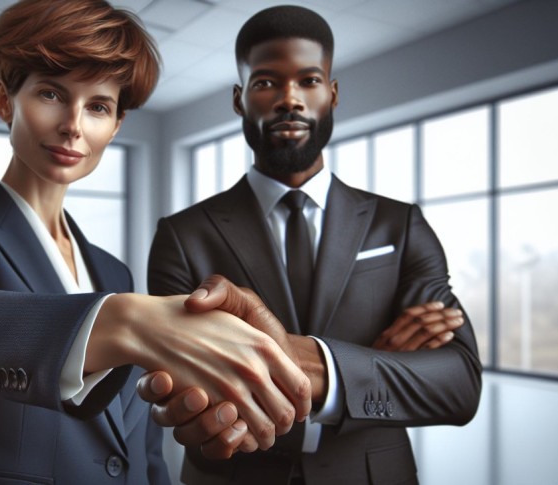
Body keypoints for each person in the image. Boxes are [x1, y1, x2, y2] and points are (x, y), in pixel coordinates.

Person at [0, 1, 311, 483]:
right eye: (51, 93)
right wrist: (131, 321)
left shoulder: (112, 271)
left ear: (116, 125)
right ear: (5, 100)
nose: (73, 125)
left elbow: (141, 443)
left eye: (98, 107)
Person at [143, 5, 482, 484]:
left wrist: (319, 368)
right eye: (266, 82)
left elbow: (459, 384)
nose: (290, 99)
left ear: (332, 93)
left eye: (309, 81)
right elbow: (190, 385)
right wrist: (373, 362)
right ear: (240, 100)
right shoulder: (182, 235)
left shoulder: (399, 225)